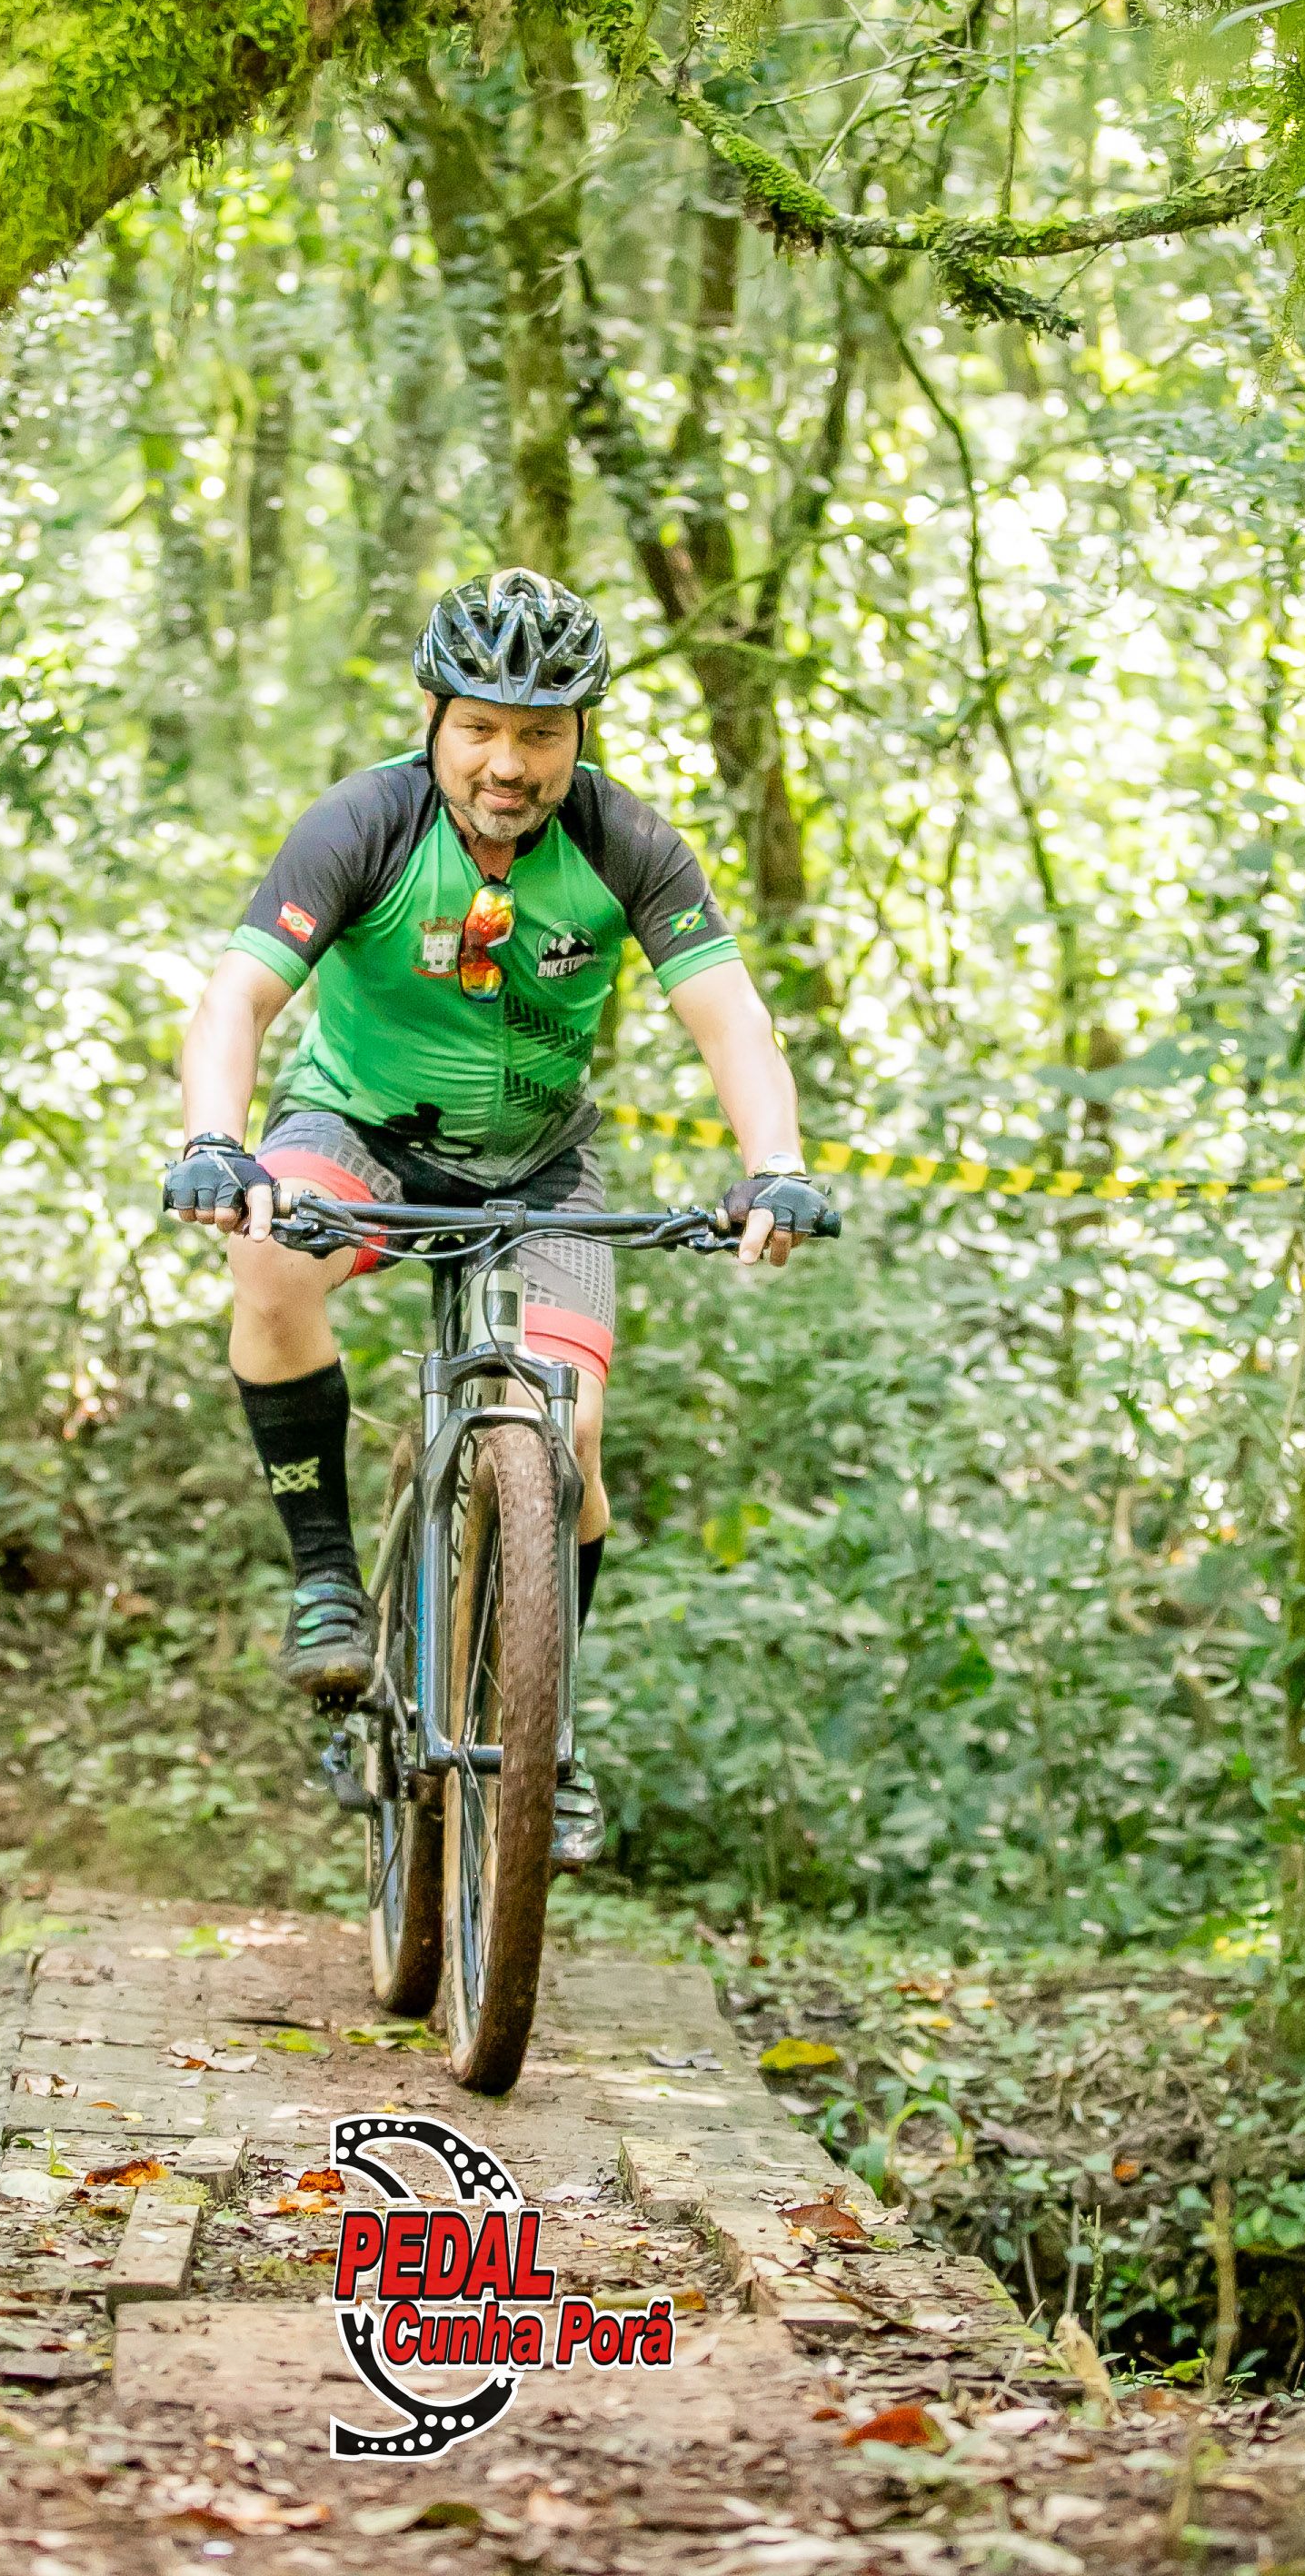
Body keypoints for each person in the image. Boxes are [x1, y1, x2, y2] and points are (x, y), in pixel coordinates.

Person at [161, 569, 829, 1871]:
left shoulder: (626, 843)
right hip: (359, 1139)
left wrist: (777, 1165)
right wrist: (212, 1143)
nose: (507, 764)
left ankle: (544, 1739)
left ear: (580, 735)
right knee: (266, 1254)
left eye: (540, 733)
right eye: (479, 727)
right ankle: (325, 1577)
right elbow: (236, 997)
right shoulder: (365, 822)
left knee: (569, 1435)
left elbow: (732, 1017)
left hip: (542, 1173)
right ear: (433, 718)